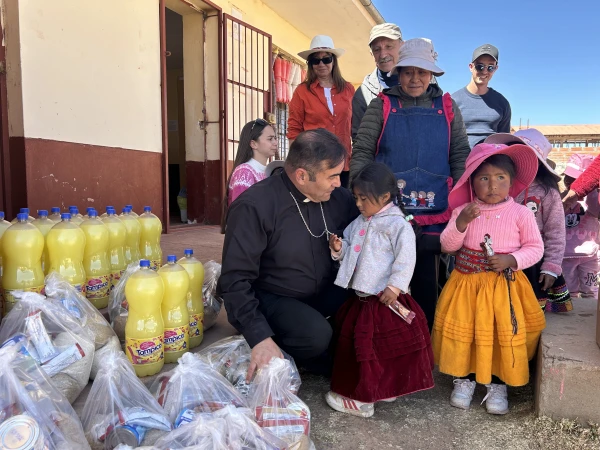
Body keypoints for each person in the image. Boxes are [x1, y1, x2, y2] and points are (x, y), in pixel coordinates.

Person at [219, 129, 359, 380]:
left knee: (367, 317)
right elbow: (234, 280)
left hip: (325, 290)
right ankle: (270, 345)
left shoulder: (339, 198)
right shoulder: (255, 206)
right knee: (316, 336)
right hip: (275, 296)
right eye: (333, 176)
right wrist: (259, 336)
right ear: (302, 176)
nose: (339, 183)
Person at [351, 37, 471, 329]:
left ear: (431, 75)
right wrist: (360, 193)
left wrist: (463, 198)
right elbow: (364, 150)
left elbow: (459, 154)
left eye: (422, 71)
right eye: (408, 72)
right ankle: (387, 335)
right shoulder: (382, 105)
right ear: (399, 73)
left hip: (436, 208)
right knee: (385, 274)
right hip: (388, 208)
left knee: (426, 277)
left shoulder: (448, 106)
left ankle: (423, 336)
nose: (415, 78)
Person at [432, 143, 546, 415]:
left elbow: (535, 247)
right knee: (469, 334)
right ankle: (466, 379)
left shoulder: (520, 213)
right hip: (466, 286)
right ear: (472, 182)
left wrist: (511, 260)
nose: (492, 185)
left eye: (500, 178)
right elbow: (447, 246)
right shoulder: (464, 212)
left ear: (511, 182)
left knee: (497, 336)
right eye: (484, 178)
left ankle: (497, 383)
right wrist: (461, 224)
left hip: (503, 288)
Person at [324, 162, 434, 418]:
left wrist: (394, 287)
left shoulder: (397, 225)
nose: (359, 203)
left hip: (384, 298)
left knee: (375, 350)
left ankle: (363, 400)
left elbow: (406, 259)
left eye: (364, 198)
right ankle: (379, 390)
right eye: (357, 198)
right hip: (363, 297)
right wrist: (340, 248)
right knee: (370, 350)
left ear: (385, 196)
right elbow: (351, 249)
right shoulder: (359, 222)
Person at [486, 129, 572, 313]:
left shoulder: (548, 193)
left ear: (537, 162)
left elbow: (555, 233)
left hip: (532, 264)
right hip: (499, 261)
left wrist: (551, 267)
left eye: (524, 155)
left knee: (528, 313)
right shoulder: (495, 189)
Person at [288, 35, 355, 187]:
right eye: (315, 60)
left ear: (333, 61)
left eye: (326, 59)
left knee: (343, 207)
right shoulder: (301, 91)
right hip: (315, 164)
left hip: (343, 164)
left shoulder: (348, 89)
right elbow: (294, 129)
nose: (321, 64)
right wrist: (295, 164)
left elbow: (356, 127)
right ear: (310, 64)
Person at [221, 119, 277, 232]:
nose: (275, 142)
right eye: (270, 139)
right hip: (248, 237)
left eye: (275, 138)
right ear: (253, 144)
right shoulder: (245, 172)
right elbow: (242, 214)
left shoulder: (270, 170)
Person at [453, 44, 511, 148]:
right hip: (460, 161)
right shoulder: (453, 101)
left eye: (490, 67)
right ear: (471, 67)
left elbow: (504, 141)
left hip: (491, 161)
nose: (484, 71)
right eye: (480, 66)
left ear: (496, 69)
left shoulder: (502, 103)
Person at [351, 23, 403, 140]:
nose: (383, 54)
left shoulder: (421, 83)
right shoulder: (363, 94)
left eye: (389, 46)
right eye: (377, 49)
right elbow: (359, 141)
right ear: (372, 54)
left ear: (402, 46)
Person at [562, 154, 600, 298]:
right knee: (568, 291)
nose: (568, 181)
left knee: (590, 291)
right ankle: (571, 317)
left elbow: (597, 212)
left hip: (589, 254)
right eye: (567, 177)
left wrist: (592, 192)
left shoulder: (592, 198)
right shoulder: (562, 197)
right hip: (566, 254)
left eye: (574, 179)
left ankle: (590, 316)